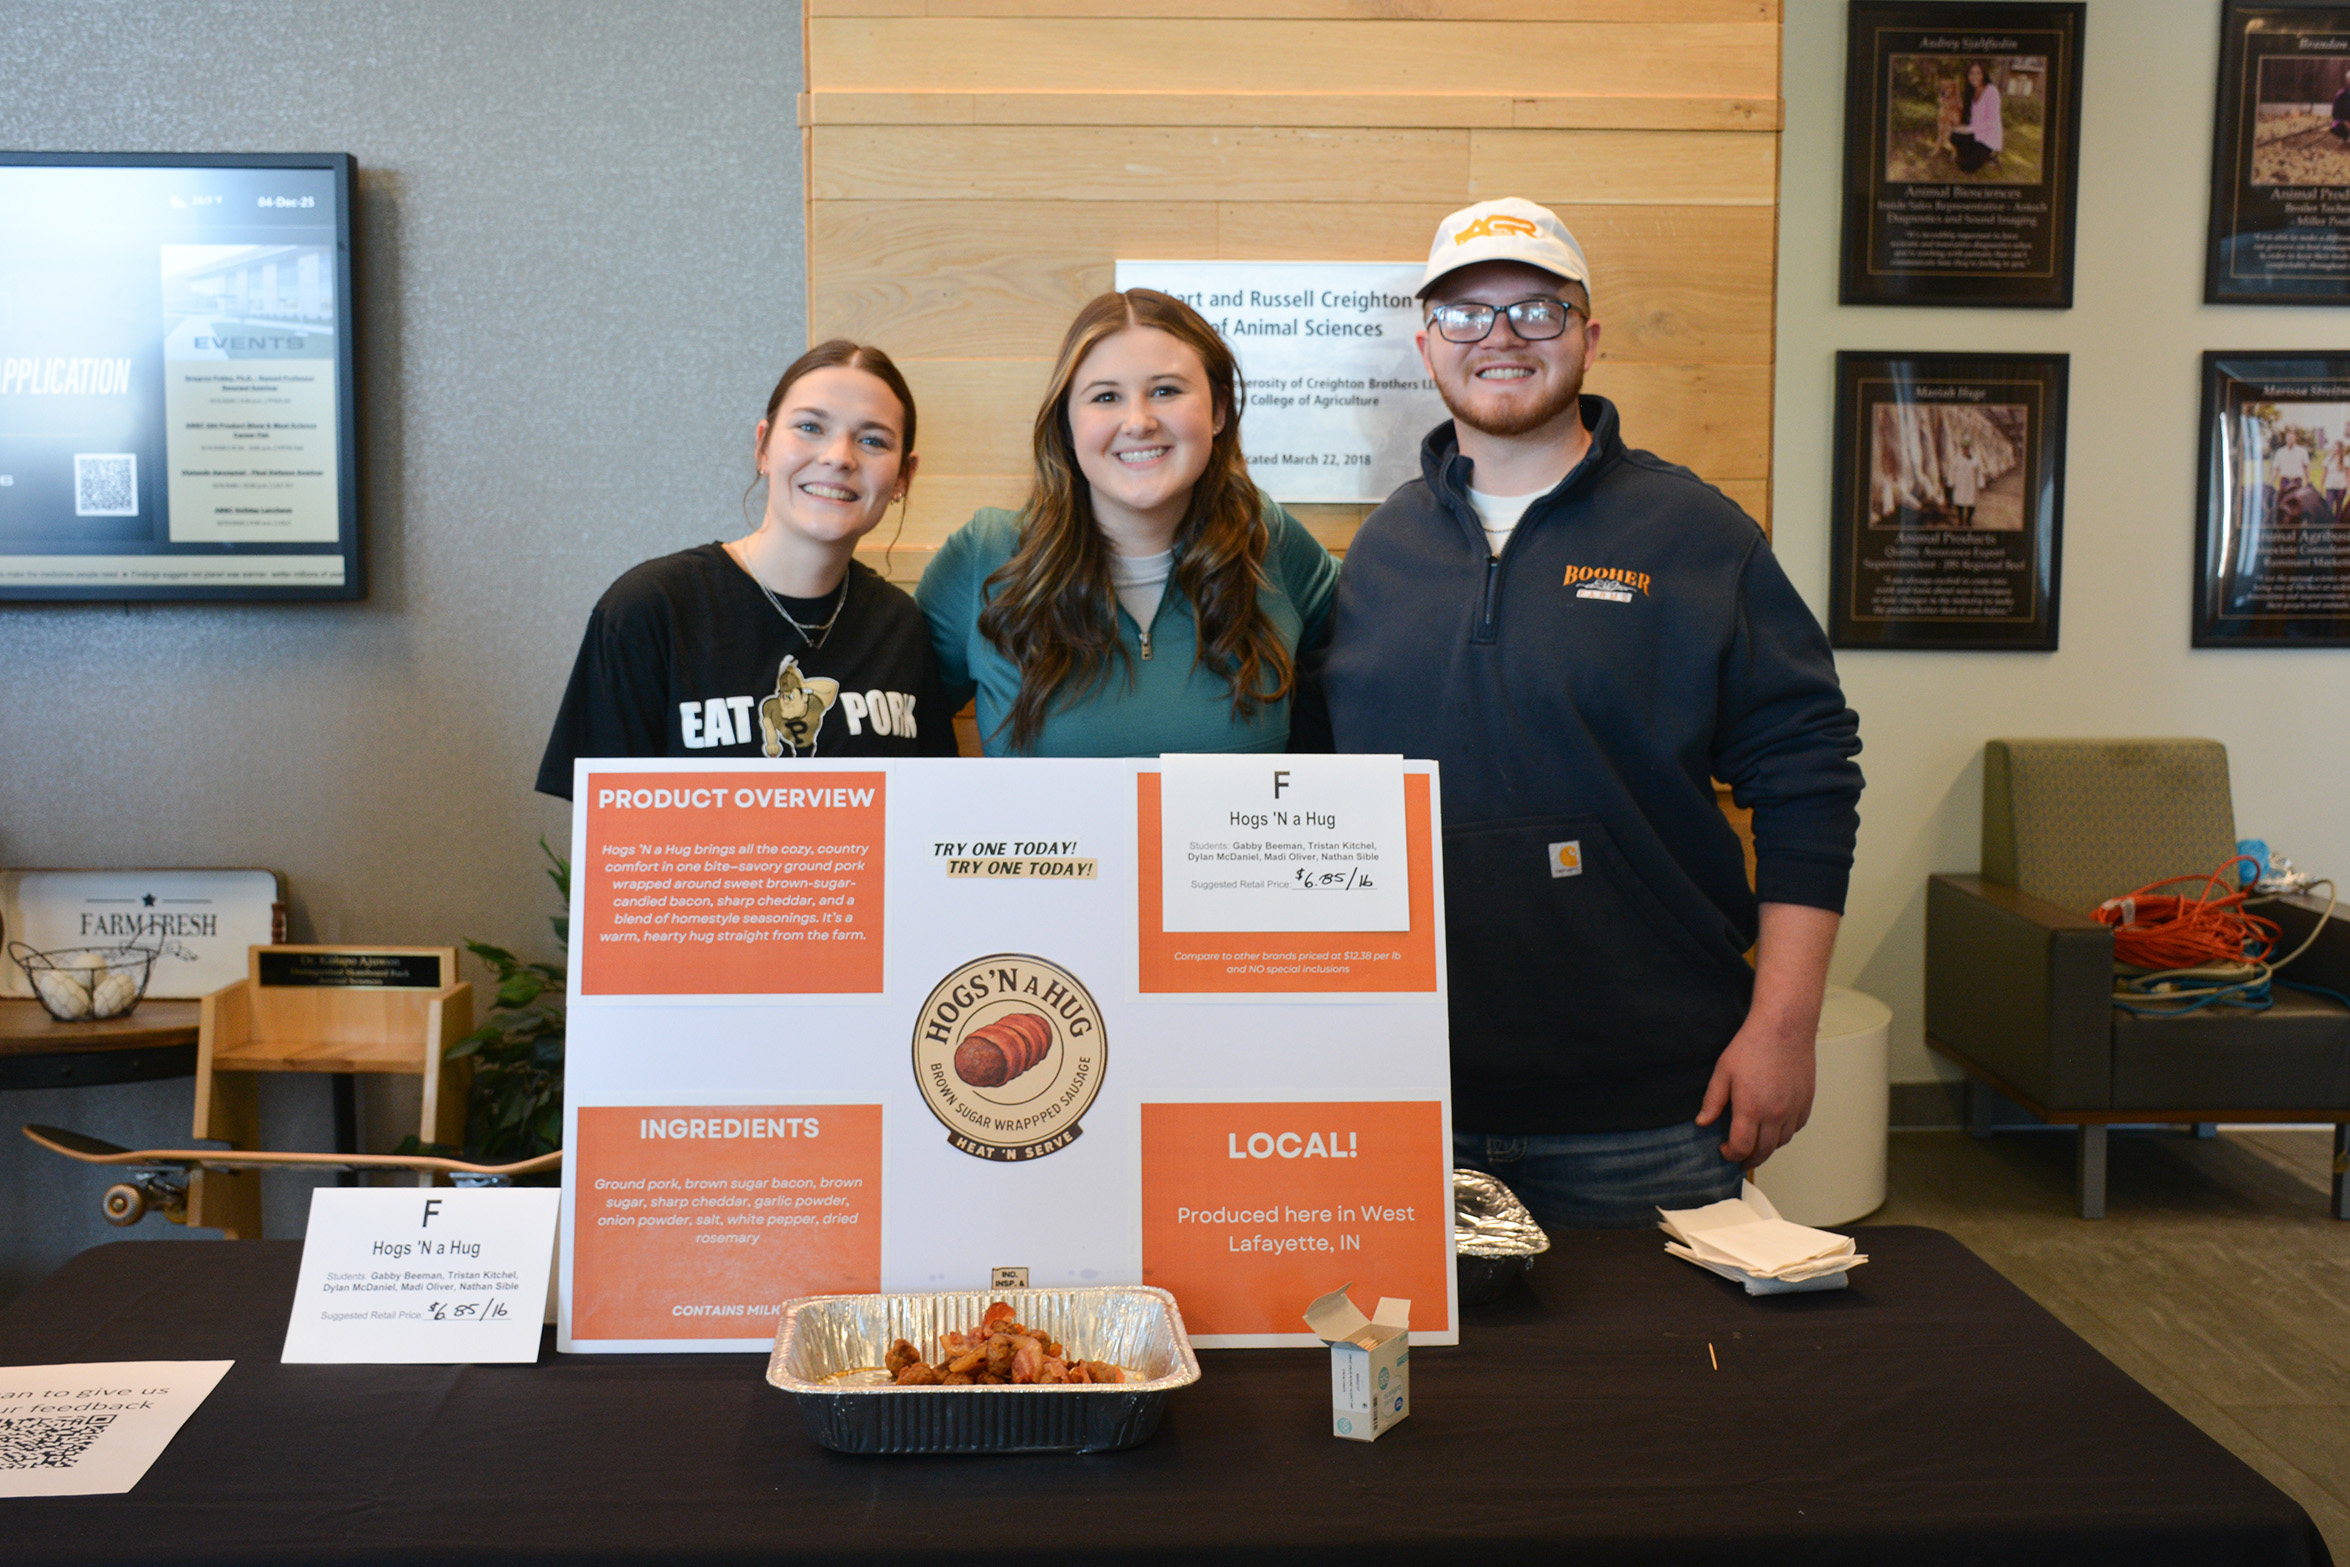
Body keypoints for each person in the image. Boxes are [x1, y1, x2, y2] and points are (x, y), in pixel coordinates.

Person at [1299, 197, 1864, 1232]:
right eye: (1466, 315)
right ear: (1427, 345)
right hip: (1401, 1101)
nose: (1501, 338)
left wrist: (1784, 1027)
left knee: (1651, 1391)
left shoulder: (1697, 534)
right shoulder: (1380, 550)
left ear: (1588, 337)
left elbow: (1807, 780)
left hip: (1644, 1114)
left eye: (1536, 310)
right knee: (1431, 1393)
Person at [917, 289, 1336, 755]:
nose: (1138, 422)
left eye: (1166, 391)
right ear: (1067, 425)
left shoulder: (1266, 538)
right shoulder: (986, 554)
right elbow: (892, 719)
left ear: (1218, 410)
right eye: (1106, 397)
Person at [537, 340, 956, 797]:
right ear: (763, 447)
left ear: (903, 478)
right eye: (811, 426)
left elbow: (928, 820)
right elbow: (609, 844)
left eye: (872, 440)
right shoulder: (649, 610)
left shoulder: (901, 628)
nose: (840, 456)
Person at [1949, 60, 2003, 174]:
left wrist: (1968, 129)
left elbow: (1992, 122)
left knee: (1966, 168)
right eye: (1971, 73)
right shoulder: (1971, 92)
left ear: (1983, 74)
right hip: (1976, 134)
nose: (1974, 76)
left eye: (1978, 73)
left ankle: (1991, 154)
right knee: (1954, 136)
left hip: (1989, 137)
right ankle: (1974, 155)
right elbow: (1970, 117)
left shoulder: (1991, 91)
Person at [1945, 438, 1982, 528]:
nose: (1966, 450)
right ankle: (1960, 519)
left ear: (1970, 448)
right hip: (1960, 484)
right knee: (1959, 502)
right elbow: (1951, 471)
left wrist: (1980, 483)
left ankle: (1968, 519)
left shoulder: (1976, 460)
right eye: (1964, 448)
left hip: (1972, 485)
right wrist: (1951, 482)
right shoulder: (1956, 459)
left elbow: (1980, 472)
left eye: (1967, 448)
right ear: (1961, 449)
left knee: (1972, 503)